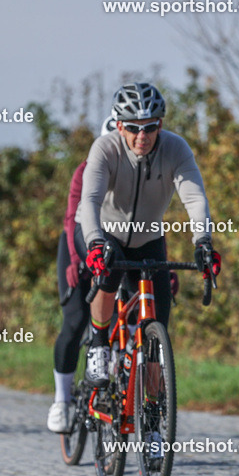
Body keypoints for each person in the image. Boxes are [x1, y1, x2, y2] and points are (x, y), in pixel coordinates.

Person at [48, 116, 182, 432]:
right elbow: (74, 216)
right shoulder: (89, 169)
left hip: (124, 247)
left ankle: (129, 368)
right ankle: (62, 401)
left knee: (141, 307)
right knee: (75, 320)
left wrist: (165, 266)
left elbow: (151, 225)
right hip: (84, 246)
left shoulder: (143, 169)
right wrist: (76, 262)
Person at [77, 82, 217, 387]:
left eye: (150, 127)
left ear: (160, 125)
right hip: (104, 231)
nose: (142, 136)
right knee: (108, 271)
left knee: (158, 321)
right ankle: (99, 344)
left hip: (148, 238)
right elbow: (90, 200)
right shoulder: (105, 148)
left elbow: (194, 198)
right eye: (133, 128)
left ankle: (153, 410)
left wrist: (203, 241)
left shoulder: (176, 149)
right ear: (119, 126)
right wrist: (95, 242)